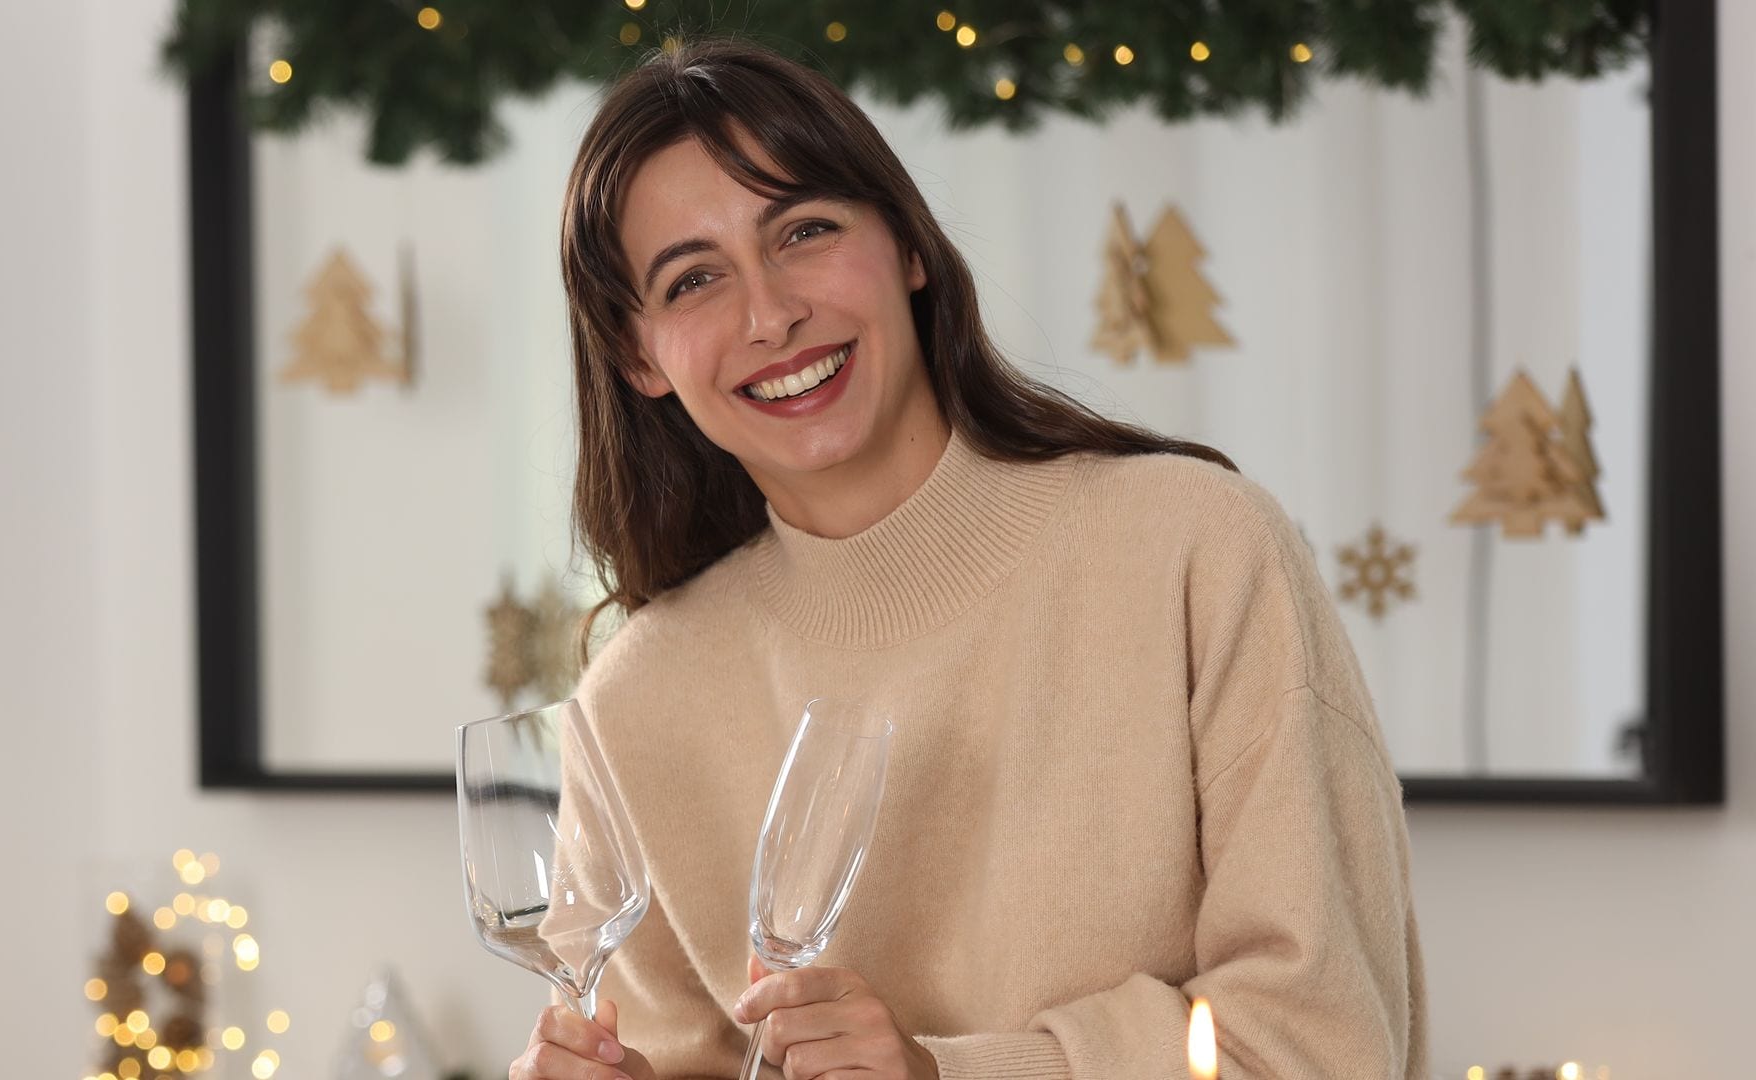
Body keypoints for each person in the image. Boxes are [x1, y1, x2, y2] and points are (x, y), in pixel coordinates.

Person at [511, 38, 1427, 1080]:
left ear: (908, 247)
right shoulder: (638, 705)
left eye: (803, 230)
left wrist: (947, 1072)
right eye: (692, 281)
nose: (769, 314)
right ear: (640, 359)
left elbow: (1324, 1043)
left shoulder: (1198, 551)